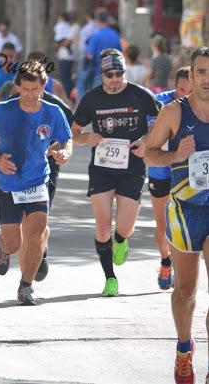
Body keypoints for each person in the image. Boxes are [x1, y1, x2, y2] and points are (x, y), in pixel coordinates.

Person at [0, 62, 72, 305]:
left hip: (37, 182)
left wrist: (65, 153)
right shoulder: (2, 110)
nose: (31, 95)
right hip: (10, 185)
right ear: (18, 86)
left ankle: (25, 287)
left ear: (43, 86)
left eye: (36, 89)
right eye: (26, 89)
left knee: (36, 236)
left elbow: (66, 140)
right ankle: (3, 245)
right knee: (14, 244)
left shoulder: (53, 112)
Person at [71, 48, 159, 297]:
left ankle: (121, 240)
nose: (115, 79)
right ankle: (110, 278)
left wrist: (146, 140)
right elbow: (73, 132)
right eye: (110, 75)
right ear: (102, 75)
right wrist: (86, 137)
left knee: (125, 227)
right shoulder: (92, 99)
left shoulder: (140, 95)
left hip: (132, 168)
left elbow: (161, 125)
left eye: (119, 74)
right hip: (102, 169)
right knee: (102, 227)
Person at [145, 47, 209, 384]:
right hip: (185, 211)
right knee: (186, 292)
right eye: (201, 72)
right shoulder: (173, 113)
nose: (207, 79)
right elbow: (149, 154)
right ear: (192, 75)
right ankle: (184, 349)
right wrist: (175, 154)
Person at [147, 67, 193, 291]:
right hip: (160, 167)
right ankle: (166, 261)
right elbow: (146, 134)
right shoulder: (158, 103)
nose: (185, 95)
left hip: (186, 168)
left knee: (183, 221)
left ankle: (181, 266)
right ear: (174, 86)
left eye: (189, 90)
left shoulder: (199, 105)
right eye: (181, 89)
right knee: (163, 223)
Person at [86, 8, 122, 89]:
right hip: (114, 74)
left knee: (98, 98)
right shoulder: (115, 35)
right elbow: (120, 53)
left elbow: (90, 56)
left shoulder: (95, 36)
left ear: (97, 20)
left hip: (100, 73)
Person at [54, 11, 79, 99]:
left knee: (65, 79)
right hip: (64, 56)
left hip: (66, 57)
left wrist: (60, 44)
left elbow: (67, 41)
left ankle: (68, 97)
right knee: (65, 78)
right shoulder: (69, 27)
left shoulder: (74, 27)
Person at [76, 10, 97, 101]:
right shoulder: (97, 29)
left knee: (81, 83)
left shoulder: (85, 29)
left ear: (87, 17)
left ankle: (81, 103)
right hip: (95, 57)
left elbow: (81, 46)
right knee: (90, 83)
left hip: (85, 57)